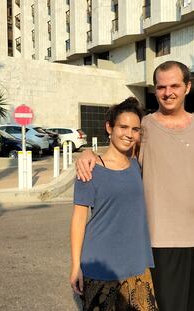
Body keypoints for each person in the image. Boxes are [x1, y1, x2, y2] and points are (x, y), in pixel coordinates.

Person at [76, 61, 194, 311]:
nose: (167, 92)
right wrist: (89, 155)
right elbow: (119, 154)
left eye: (174, 85)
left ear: (187, 87)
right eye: (161, 87)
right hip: (161, 241)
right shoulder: (145, 127)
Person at [70, 97, 158, 311]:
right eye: (123, 127)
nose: (129, 134)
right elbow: (79, 219)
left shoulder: (137, 165)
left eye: (135, 129)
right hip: (100, 267)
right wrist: (75, 267)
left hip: (137, 266)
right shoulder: (89, 169)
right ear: (109, 127)